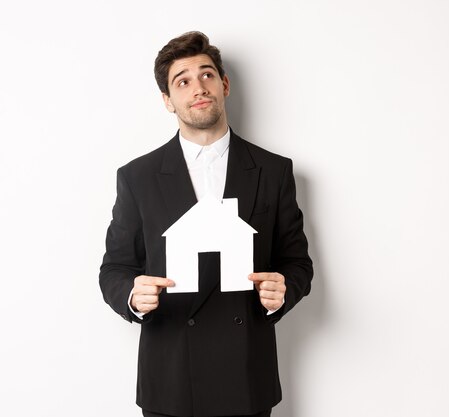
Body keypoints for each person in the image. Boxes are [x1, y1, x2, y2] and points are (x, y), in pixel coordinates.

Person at [99, 31, 313, 417]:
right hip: (171, 380)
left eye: (207, 74)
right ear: (168, 100)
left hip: (246, 378)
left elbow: (298, 263)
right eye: (182, 80)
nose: (198, 86)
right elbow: (114, 268)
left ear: (224, 84)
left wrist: (284, 290)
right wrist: (131, 296)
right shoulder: (138, 177)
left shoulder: (274, 170)